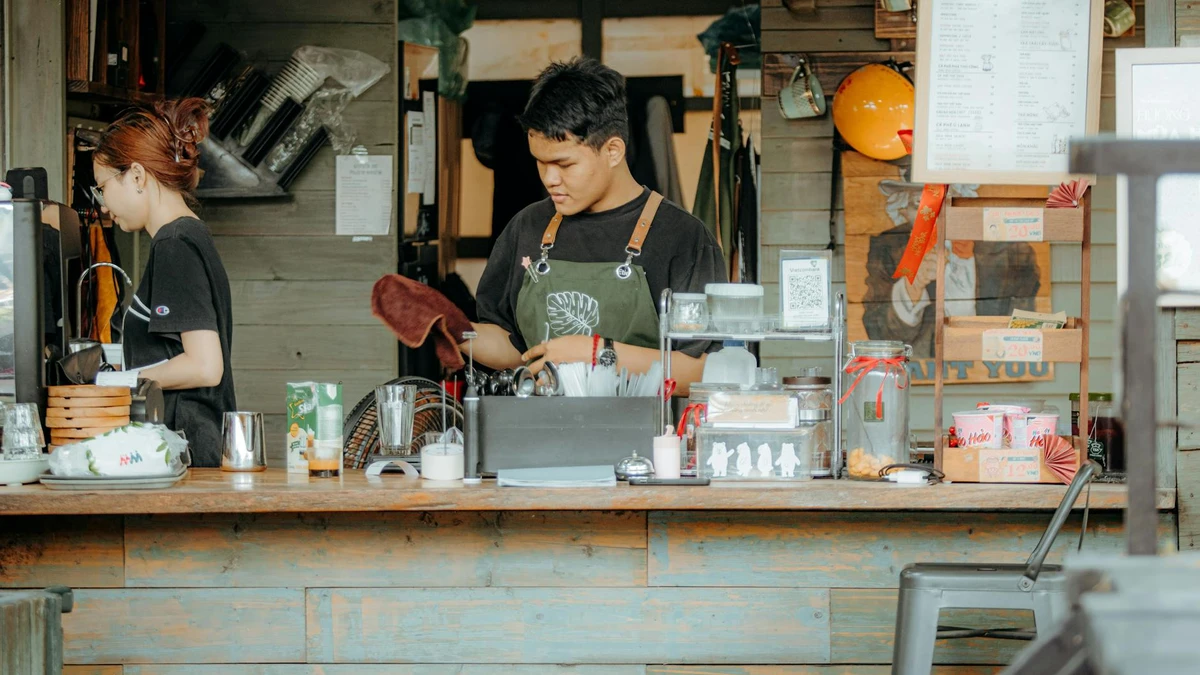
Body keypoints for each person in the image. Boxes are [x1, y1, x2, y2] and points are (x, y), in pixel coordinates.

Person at [469, 58, 726, 394]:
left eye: (564, 164)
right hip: (539, 425)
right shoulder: (527, 227)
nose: (549, 178)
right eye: (540, 162)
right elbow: (516, 350)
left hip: (643, 429)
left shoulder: (684, 238)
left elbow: (702, 371)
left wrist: (595, 352)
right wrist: (454, 331)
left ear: (613, 150)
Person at [91, 98, 235, 467]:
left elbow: (205, 366)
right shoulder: (188, 236)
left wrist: (120, 381)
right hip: (190, 448)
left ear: (137, 176)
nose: (104, 205)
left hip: (186, 452)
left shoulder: (174, 244)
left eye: (103, 187)